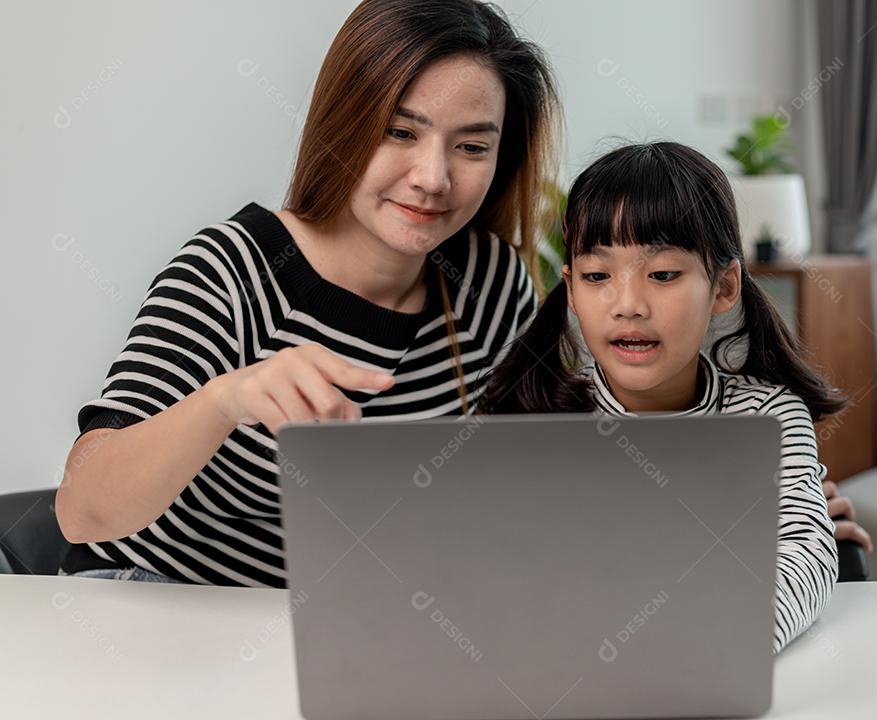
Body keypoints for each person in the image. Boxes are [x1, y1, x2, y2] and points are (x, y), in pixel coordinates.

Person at [55, 0, 560, 587]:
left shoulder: (492, 287)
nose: (433, 177)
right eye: (399, 132)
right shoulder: (233, 271)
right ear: (344, 124)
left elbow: (522, 499)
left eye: (471, 147)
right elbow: (79, 509)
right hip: (157, 596)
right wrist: (226, 401)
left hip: (350, 626)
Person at [478, 142, 869, 653]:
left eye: (662, 275)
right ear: (570, 289)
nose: (628, 306)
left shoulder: (767, 415)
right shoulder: (540, 422)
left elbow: (804, 556)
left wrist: (719, 646)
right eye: (597, 277)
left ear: (724, 287)